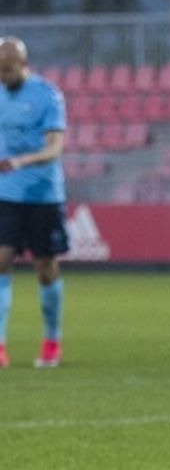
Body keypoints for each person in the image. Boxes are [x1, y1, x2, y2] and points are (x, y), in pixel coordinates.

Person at [0, 37, 68, 370]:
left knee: (45, 267)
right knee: (1, 259)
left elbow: (55, 148)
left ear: (23, 65)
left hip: (43, 194)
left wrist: (22, 161)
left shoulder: (47, 96)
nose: (2, 76)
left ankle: (51, 340)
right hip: (6, 193)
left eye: (7, 70)